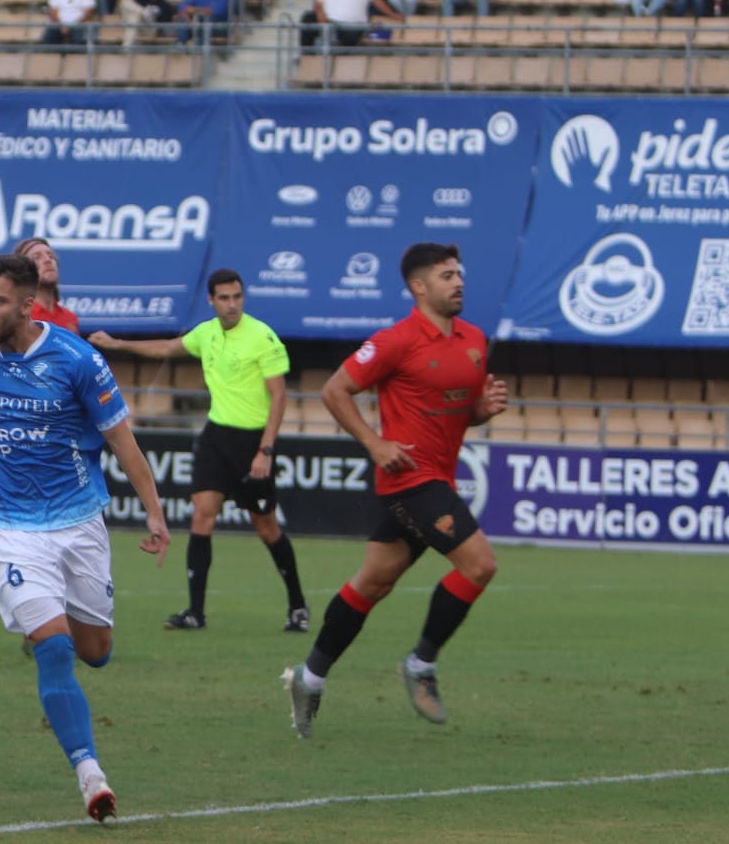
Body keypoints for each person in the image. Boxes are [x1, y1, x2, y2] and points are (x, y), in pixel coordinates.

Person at [0, 254, 171, 822]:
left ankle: (49, 627)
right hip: (9, 526)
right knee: (56, 647)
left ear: (27, 303)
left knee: (95, 651)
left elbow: (122, 441)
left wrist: (155, 513)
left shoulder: (78, 360)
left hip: (78, 522)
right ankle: (89, 773)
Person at [283, 242, 506, 739]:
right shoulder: (396, 341)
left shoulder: (474, 339)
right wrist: (374, 442)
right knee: (480, 564)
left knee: (373, 583)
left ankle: (309, 677)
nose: (459, 281)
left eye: (459, 273)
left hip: (438, 479)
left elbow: (458, 411)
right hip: (408, 480)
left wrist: (480, 412)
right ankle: (421, 665)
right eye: (447, 275)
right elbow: (334, 390)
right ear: (419, 287)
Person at [91, 269, 306, 634]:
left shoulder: (262, 337)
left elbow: (280, 396)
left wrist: (265, 450)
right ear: (212, 300)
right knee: (201, 516)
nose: (232, 304)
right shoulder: (206, 333)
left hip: (253, 442)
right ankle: (195, 612)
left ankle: (298, 607)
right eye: (224, 298)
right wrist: (117, 344)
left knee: (266, 527)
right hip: (216, 437)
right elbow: (167, 348)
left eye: (237, 296)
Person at [14, 237, 78, 331]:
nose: (48, 260)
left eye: (51, 256)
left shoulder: (70, 318)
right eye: (37, 257)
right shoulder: (20, 316)